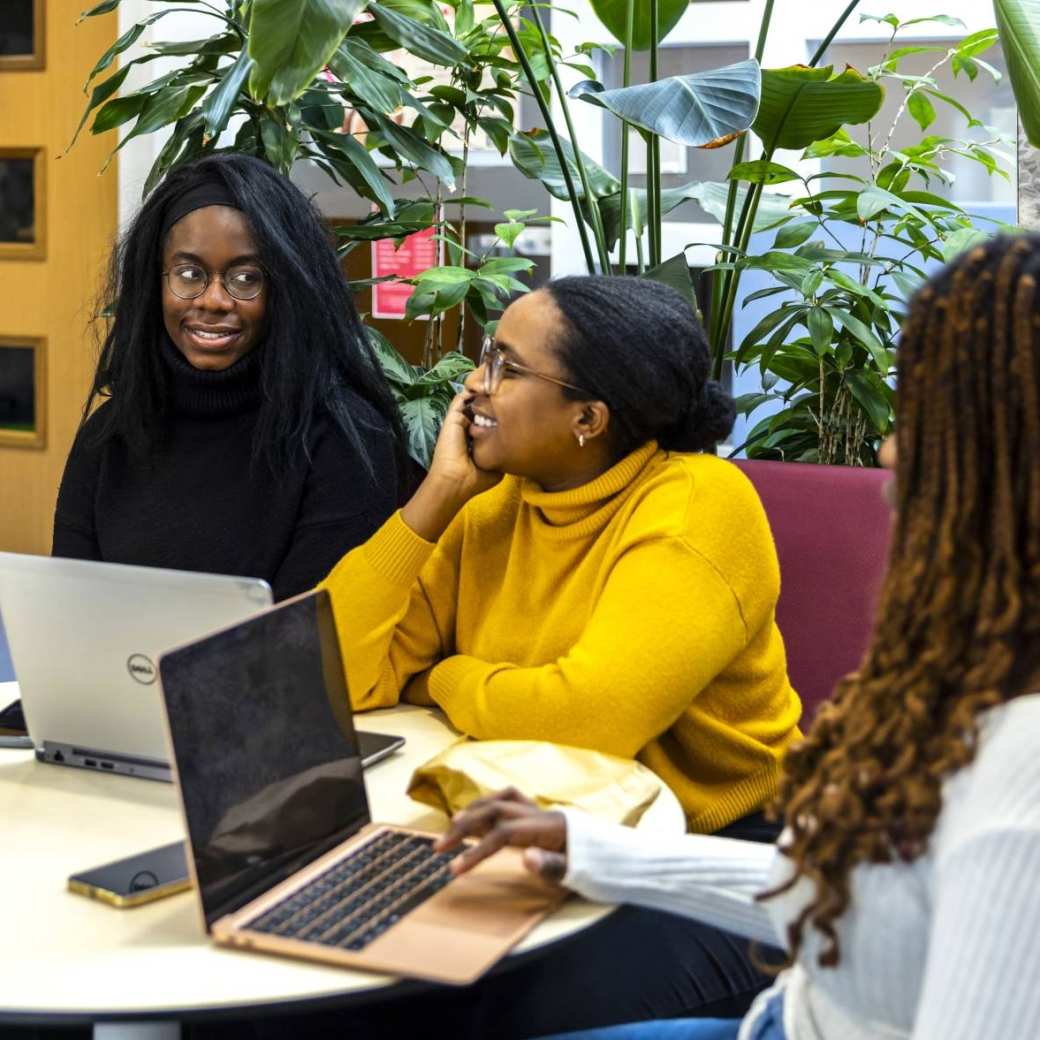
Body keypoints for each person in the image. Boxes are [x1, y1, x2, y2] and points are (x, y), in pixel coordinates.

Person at [435, 235, 1040, 1040]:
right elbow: (848, 895)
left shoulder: (1022, 773)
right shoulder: (982, 668)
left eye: (923, 418)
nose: (891, 450)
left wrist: (441, 677)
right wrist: (596, 852)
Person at [314, 275, 802, 1032]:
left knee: (481, 1006)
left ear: (587, 417)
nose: (475, 385)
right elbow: (334, 679)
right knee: (349, 982)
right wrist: (434, 499)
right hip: (558, 836)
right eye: (486, 358)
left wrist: (447, 676)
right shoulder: (493, 504)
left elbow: (586, 719)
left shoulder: (700, 505)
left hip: (732, 865)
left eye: (507, 368)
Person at [52, 153, 403, 601]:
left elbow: (308, 640)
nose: (214, 300)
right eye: (189, 274)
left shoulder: (346, 441)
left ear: (285, 289)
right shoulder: (109, 436)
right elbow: (70, 613)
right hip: (109, 672)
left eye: (245, 278)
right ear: (154, 283)